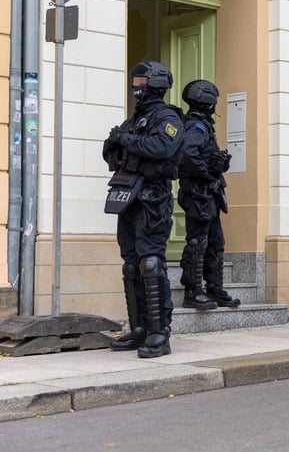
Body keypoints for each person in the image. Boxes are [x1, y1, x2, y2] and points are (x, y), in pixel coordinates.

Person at [102, 60, 184, 358]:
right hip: (129, 195)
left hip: (153, 197)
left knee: (151, 263)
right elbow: (109, 151)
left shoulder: (168, 117)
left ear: (156, 84)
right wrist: (123, 141)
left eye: (141, 81)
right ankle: (139, 328)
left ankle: (159, 333)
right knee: (131, 263)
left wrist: (126, 141)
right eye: (134, 81)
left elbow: (161, 148)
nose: (136, 87)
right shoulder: (135, 120)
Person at [177, 79, 241, 309]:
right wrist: (206, 173)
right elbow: (187, 154)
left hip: (208, 194)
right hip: (198, 194)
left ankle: (214, 288)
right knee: (198, 242)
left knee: (215, 242)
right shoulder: (196, 126)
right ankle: (192, 291)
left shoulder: (202, 124)